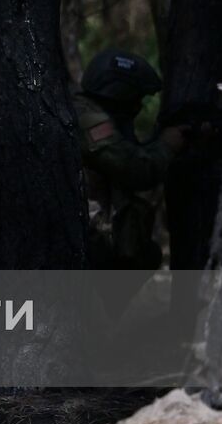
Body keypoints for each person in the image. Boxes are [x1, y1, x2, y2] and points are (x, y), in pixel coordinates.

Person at [74, 49, 190, 270]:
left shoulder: (91, 113)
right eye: (135, 100)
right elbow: (135, 168)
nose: (137, 108)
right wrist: (167, 144)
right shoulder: (88, 118)